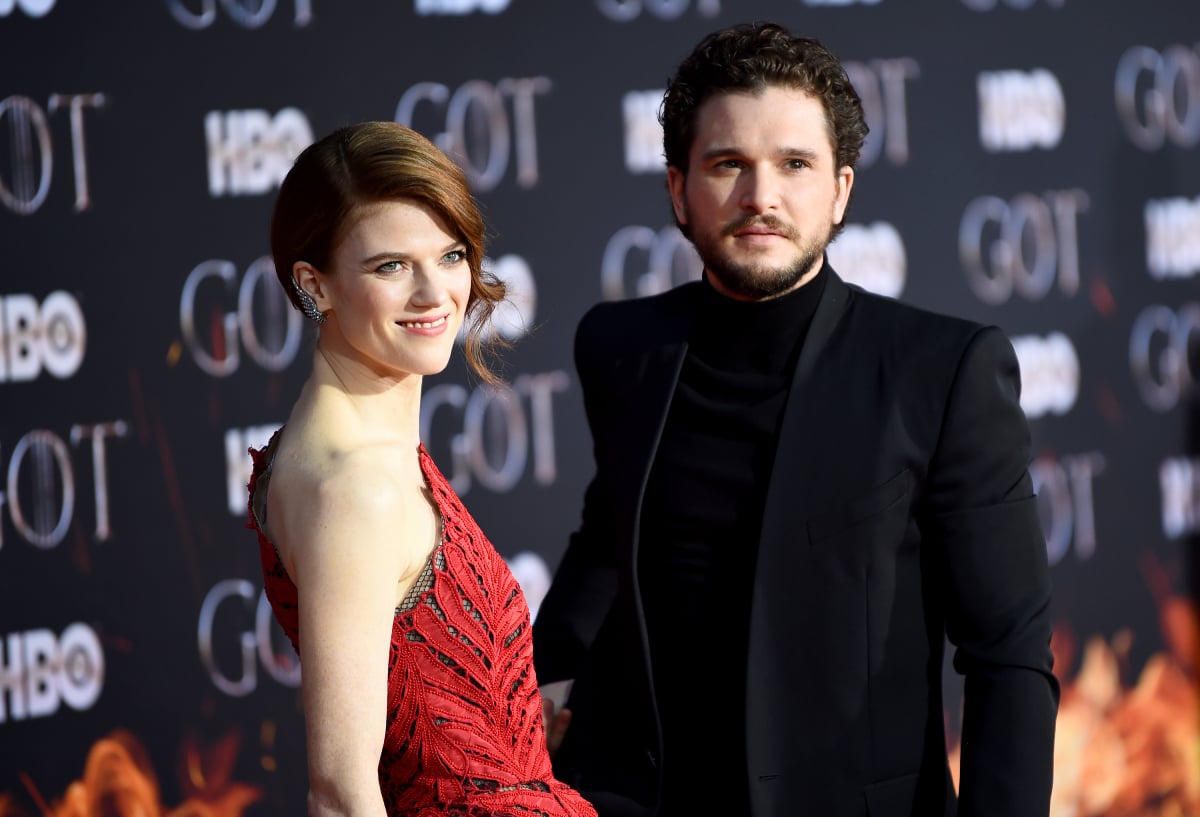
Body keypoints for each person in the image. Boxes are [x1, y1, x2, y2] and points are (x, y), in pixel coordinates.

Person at [532, 22, 1058, 817]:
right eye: (727, 165)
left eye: (794, 165)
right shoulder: (621, 347)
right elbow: (608, 532)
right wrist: (539, 677)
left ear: (840, 189)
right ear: (679, 191)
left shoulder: (941, 371)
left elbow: (1009, 654)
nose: (760, 197)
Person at [246, 121, 596, 817]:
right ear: (315, 285)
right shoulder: (358, 487)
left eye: (451, 254)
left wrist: (508, 738)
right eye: (391, 266)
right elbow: (341, 795)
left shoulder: (350, 449)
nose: (435, 294)